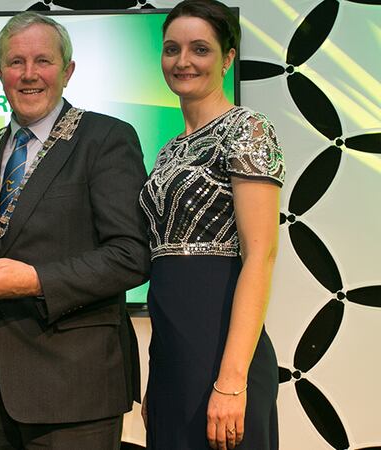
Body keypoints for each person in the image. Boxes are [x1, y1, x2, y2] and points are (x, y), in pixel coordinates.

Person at [0, 12, 151, 449]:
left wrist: (33, 281)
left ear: (67, 71)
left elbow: (130, 254)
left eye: (43, 61)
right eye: (15, 62)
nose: (29, 75)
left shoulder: (106, 138)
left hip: (75, 387)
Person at [138, 1, 285, 449]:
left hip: (223, 352)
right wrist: (156, 376)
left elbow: (261, 256)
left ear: (227, 58)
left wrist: (231, 380)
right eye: (171, 49)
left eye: (199, 49)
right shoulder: (168, 150)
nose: (183, 61)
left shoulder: (249, 129)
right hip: (172, 358)